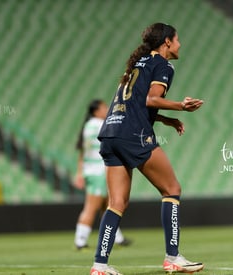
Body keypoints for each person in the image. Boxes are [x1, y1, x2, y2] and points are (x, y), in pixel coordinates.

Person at [89, 23, 204, 275]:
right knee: (172, 189)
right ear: (166, 43)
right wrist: (180, 107)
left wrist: (164, 119)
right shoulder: (163, 66)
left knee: (117, 202)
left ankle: (99, 266)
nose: (180, 44)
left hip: (111, 131)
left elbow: (134, 102)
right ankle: (173, 257)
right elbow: (150, 99)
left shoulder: (137, 64)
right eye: (177, 39)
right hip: (133, 134)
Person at [73, 99, 131, 249]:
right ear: (96, 111)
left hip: (92, 170)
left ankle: (117, 237)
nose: (107, 109)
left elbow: (83, 152)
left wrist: (80, 173)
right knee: (92, 206)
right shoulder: (100, 125)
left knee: (108, 205)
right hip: (98, 170)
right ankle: (80, 241)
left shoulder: (88, 125)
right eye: (104, 107)